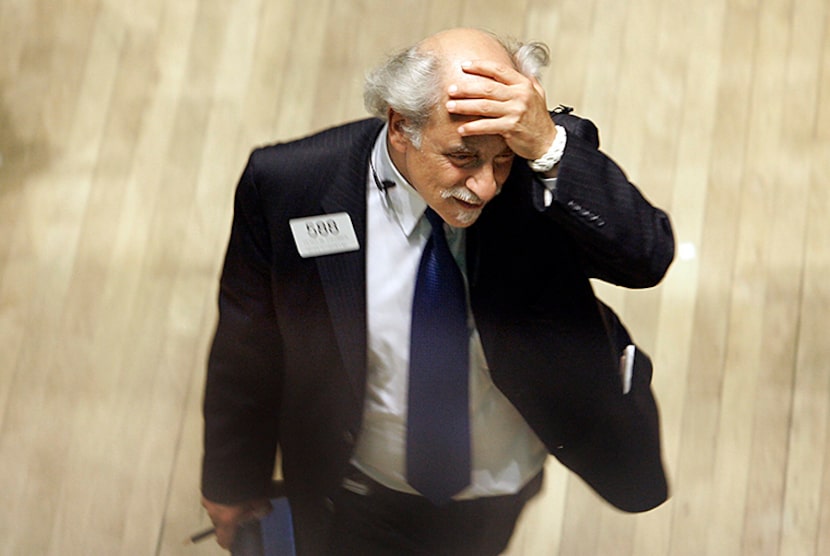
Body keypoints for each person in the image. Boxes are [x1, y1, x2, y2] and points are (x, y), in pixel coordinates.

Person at [201, 28, 674, 555]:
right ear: (401, 127)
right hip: (353, 489)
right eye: (464, 158)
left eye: (501, 161)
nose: (486, 187)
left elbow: (646, 258)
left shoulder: (543, 166)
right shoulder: (290, 186)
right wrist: (230, 482)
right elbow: (247, 347)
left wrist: (546, 146)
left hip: (498, 486)